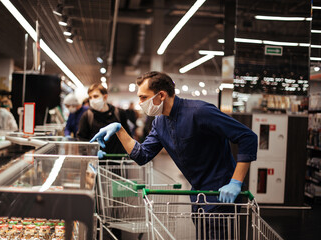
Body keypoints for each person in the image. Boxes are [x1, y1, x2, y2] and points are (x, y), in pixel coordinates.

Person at [90, 71, 257, 236]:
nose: (140, 102)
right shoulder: (160, 122)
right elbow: (142, 156)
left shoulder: (200, 111)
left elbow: (247, 137)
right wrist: (120, 130)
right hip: (198, 194)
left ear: (161, 95)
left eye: (143, 97)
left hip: (221, 192)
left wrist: (235, 182)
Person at [76, 83, 131, 157]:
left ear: (105, 97)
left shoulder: (119, 113)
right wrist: (92, 152)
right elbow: (81, 140)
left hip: (118, 159)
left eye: (95, 96)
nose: (92, 100)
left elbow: (127, 135)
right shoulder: (87, 116)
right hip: (96, 160)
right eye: (90, 97)